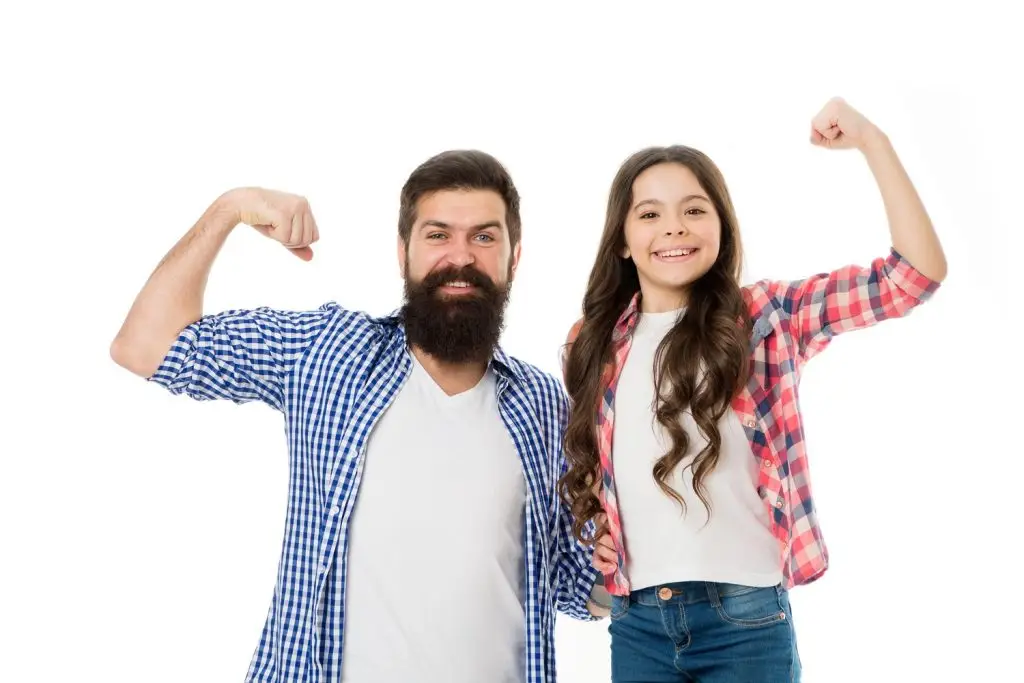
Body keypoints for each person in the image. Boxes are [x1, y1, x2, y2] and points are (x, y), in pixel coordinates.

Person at [110, 149, 607, 683]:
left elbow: (578, 588)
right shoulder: (327, 352)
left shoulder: (545, 405)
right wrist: (230, 208)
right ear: (403, 252)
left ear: (514, 257)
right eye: (438, 235)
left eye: (484, 237)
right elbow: (146, 346)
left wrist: (618, 549)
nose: (460, 258)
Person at [558, 97, 947, 682]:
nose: (674, 228)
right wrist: (599, 537)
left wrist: (873, 140)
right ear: (621, 239)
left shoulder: (766, 317)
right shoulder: (590, 341)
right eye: (649, 215)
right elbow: (595, 469)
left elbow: (911, 279)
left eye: (694, 209)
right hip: (636, 624)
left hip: (745, 621)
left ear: (721, 226)